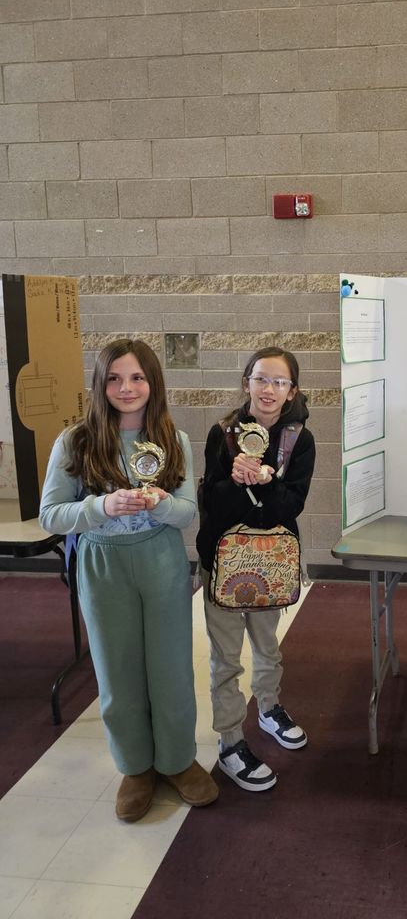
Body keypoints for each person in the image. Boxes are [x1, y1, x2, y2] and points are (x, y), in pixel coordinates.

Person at [39, 338, 218, 823]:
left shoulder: (171, 439)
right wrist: (101, 506)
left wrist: (159, 502)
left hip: (160, 561)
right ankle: (136, 767)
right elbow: (50, 515)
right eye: (115, 378)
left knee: (171, 667)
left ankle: (177, 761)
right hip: (102, 565)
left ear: (153, 383)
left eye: (137, 377)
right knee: (117, 670)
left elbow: (186, 515)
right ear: (101, 385)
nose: (127, 387)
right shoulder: (75, 441)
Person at [196, 347, 316, 793]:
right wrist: (236, 479)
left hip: (273, 560)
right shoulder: (222, 434)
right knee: (225, 658)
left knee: (268, 645)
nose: (269, 390)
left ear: (292, 391)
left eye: (279, 382)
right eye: (261, 379)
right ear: (246, 381)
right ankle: (230, 741)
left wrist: (267, 480)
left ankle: (268, 708)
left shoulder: (299, 440)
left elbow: (290, 508)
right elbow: (213, 504)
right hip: (225, 561)